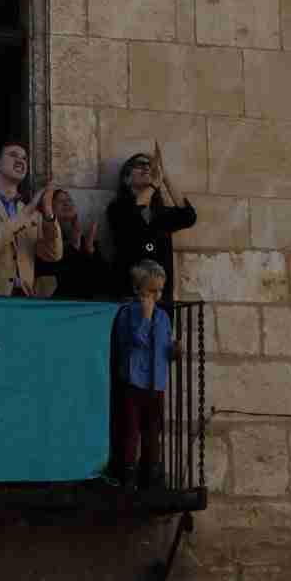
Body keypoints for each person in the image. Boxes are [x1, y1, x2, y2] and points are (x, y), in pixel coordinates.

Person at [97, 142, 197, 299]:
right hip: (130, 294)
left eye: (149, 166)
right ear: (126, 179)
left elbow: (189, 216)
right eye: (139, 165)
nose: (146, 168)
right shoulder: (117, 208)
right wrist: (154, 184)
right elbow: (132, 214)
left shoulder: (161, 214)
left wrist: (165, 176)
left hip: (161, 298)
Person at [0, 142, 62, 296]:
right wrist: (30, 208)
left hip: (23, 299)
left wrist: (48, 212)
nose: (21, 161)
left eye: (24, 158)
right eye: (13, 155)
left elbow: (52, 254)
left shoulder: (32, 213)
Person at [113, 263, 175, 485]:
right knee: (131, 431)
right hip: (134, 381)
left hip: (156, 382)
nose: (157, 296)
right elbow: (136, 341)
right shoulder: (128, 313)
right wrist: (146, 318)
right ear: (139, 289)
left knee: (153, 431)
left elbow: (164, 345)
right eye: (152, 291)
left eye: (160, 290)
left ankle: (151, 473)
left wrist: (174, 350)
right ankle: (128, 473)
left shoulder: (163, 317)